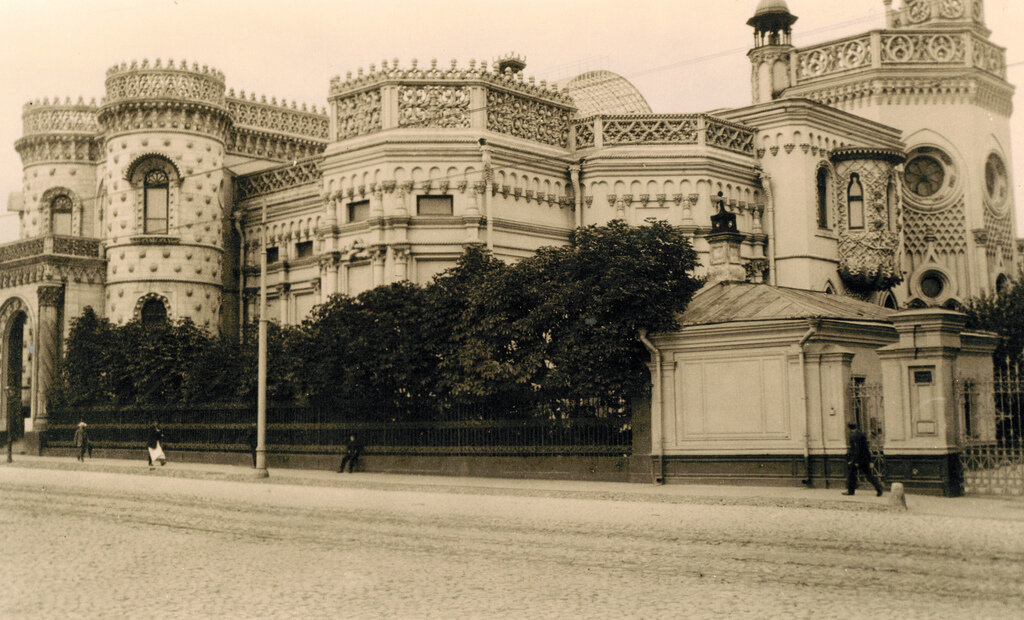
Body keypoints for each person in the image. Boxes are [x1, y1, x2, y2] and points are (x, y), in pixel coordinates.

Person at [844, 422, 883, 496]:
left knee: (852, 474)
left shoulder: (854, 436)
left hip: (858, 460)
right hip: (864, 459)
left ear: (849, 429)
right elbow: (865, 449)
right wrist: (869, 460)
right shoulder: (861, 434)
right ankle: (879, 488)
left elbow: (856, 449)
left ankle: (851, 491)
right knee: (868, 475)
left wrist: (854, 461)